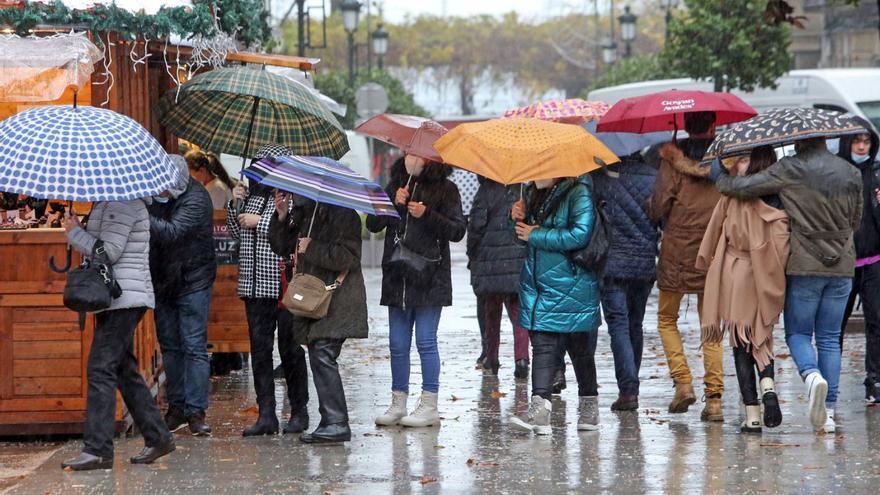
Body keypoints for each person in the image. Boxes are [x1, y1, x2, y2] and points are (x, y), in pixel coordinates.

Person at [710, 137, 862, 433]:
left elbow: (741, 187)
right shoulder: (850, 172)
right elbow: (856, 219)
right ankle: (828, 411)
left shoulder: (791, 169)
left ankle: (811, 376)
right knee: (830, 338)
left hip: (806, 265)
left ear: (800, 142)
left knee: (798, 333)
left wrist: (718, 171)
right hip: (843, 266)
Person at [61, 199, 174, 470]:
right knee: (123, 369)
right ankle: (158, 436)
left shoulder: (121, 203)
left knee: (100, 367)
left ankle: (98, 450)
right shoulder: (109, 202)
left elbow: (109, 251)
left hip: (124, 297)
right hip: (117, 297)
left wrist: (75, 233)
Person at [368, 156, 466, 428]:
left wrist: (428, 215)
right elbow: (372, 225)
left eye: (418, 153)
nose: (412, 157)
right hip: (398, 276)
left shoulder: (446, 189)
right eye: (408, 151)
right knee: (397, 345)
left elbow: (458, 230)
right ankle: (398, 402)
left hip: (429, 277)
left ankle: (429, 404)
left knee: (425, 341)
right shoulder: (395, 185)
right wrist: (391, 205)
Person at [697, 147, 789, 433]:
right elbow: (783, 240)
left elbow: (714, 231)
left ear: (757, 162)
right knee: (761, 338)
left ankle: (752, 414)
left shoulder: (731, 196)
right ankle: (769, 387)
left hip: (736, 273)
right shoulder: (776, 199)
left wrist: (704, 258)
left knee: (739, 342)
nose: (737, 164)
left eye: (744, 158)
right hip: (764, 275)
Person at [268, 192, 368, 443]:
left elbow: (348, 256)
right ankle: (331, 420)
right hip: (314, 298)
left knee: (323, 352)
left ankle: (336, 422)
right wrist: (280, 217)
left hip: (338, 298)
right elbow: (281, 247)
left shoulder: (343, 214)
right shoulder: (304, 213)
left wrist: (312, 247)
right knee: (318, 352)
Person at [508, 175, 602, 434]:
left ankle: (589, 407)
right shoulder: (531, 192)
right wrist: (516, 219)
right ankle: (539, 409)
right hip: (538, 285)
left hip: (573, 284)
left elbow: (579, 235)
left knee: (580, 350)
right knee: (543, 345)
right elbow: (521, 238)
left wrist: (536, 234)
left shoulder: (579, 192)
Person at [226, 146, 310, 437]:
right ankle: (266, 414)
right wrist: (234, 205)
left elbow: (292, 232)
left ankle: (300, 412)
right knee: (260, 351)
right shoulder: (250, 196)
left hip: (282, 284)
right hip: (253, 285)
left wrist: (259, 222)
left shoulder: (291, 195)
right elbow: (236, 233)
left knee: (291, 350)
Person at [648, 111, 724, 421]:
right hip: (713, 253)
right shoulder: (725, 163)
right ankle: (715, 400)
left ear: (685, 127)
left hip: (677, 252)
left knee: (667, 319)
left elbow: (657, 208)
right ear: (714, 126)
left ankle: (683, 384)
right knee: (711, 329)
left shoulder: (671, 161)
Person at [148, 156, 217, 436]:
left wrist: (142, 213)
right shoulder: (155, 195)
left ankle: (196, 411)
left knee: (193, 345)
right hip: (164, 280)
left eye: (164, 188)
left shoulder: (196, 199)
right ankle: (176, 407)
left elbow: (173, 231)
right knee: (170, 346)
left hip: (193, 280)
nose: (160, 192)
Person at [591, 153, 659, 411]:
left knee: (618, 325)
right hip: (643, 264)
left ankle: (628, 390)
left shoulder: (601, 179)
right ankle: (631, 387)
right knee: (635, 324)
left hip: (612, 264)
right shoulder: (654, 177)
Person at [466, 177, 530, 378]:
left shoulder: (485, 191)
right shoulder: (523, 190)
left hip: (490, 261)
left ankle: (491, 358)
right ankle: (521, 358)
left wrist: (472, 253)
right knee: (518, 312)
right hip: (517, 259)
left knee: (491, 312)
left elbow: (476, 226)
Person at [836, 120, 880, 404]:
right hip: (843, 264)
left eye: (865, 141)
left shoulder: (877, 175)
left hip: (874, 262)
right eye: (856, 141)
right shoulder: (838, 175)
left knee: (877, 322)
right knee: (834, 325)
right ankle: (829, 381)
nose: (861, 146)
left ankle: (874, 380)